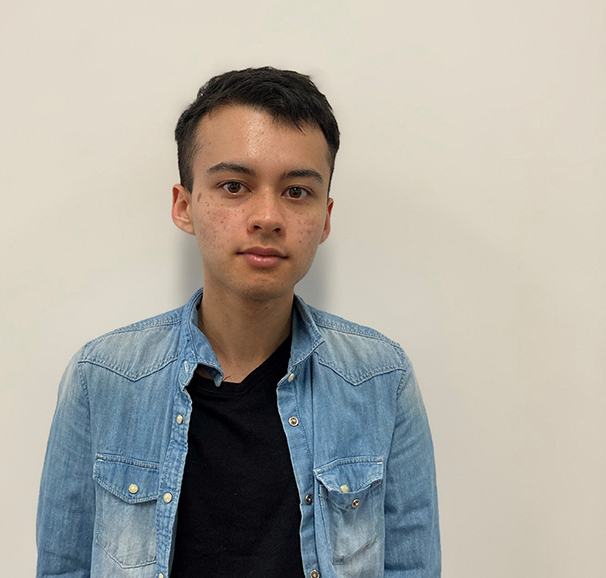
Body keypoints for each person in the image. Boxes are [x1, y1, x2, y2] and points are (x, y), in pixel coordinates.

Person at [36, 66, 441, 578]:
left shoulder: (381, 379)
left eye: (297, 191)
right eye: (234, 186)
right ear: (184, 206)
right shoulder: (103, 378)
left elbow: (412, 567)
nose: (267, 216)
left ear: (325, 217)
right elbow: (63, 567)